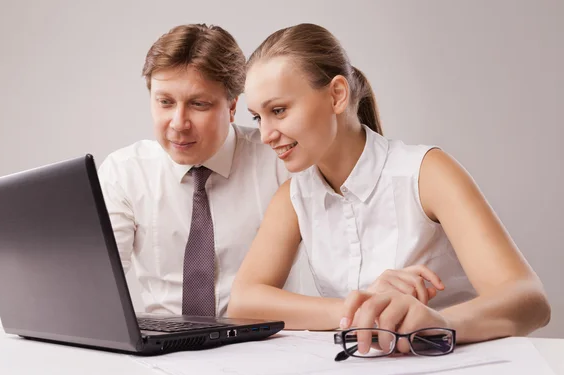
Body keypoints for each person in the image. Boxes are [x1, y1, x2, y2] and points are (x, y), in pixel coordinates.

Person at [228, 23, 550, 352]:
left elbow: (530, 301)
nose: (266, 134)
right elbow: (244, 302)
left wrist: (442, 324)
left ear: (337, 95)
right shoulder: (294, 197)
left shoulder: (426, 173)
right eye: (257, 117)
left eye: (278, 110)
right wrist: (359, 310)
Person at [98, 24, 305, 317]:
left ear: (232, 106)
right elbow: (99, 283)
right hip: (167, 351)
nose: (178, 123)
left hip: (264, 346)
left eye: (198, 104)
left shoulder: (278, 160)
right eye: (165, 102)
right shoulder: (125, 172)